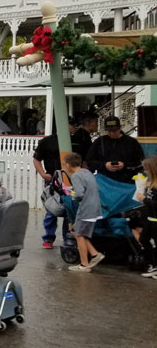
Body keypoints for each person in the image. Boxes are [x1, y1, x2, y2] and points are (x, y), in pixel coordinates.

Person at [32, 118, 76, 249]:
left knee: (70, 209)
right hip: (54, 179)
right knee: (52, 208)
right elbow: (36, 159)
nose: (74, 128)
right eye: (72, 125)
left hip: (71, 180)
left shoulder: (75, 141)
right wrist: (43, 173)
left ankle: (67, 238)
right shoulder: (47, 141)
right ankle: (48, 237)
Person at [64, 152, 105, 272]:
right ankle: (95, 254)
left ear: (68, 164)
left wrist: (71, 193)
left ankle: (84, 264)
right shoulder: (87, 172)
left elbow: (80, 194)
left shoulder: (76, 176)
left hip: (86, 209)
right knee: (77, 232)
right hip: (95, 207)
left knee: (79, 235)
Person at [85, 116, 143, 184]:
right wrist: (104, 165)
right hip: (105, 182)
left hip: (127, 182)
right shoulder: (99, 142)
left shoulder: (131, 142)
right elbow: (89, 161)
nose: (112, 133)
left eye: (114, 131)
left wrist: (125, 165)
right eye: (109, 131)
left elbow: (140, 163)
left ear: (120, 128)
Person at [132, 156, 157, 279]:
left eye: (146, 169)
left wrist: (144, 199)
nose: (145, 171)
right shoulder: (150, 184)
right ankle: (152, 265)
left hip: (155, 220)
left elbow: (155, 203)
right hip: (150, 219)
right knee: (143, 239)